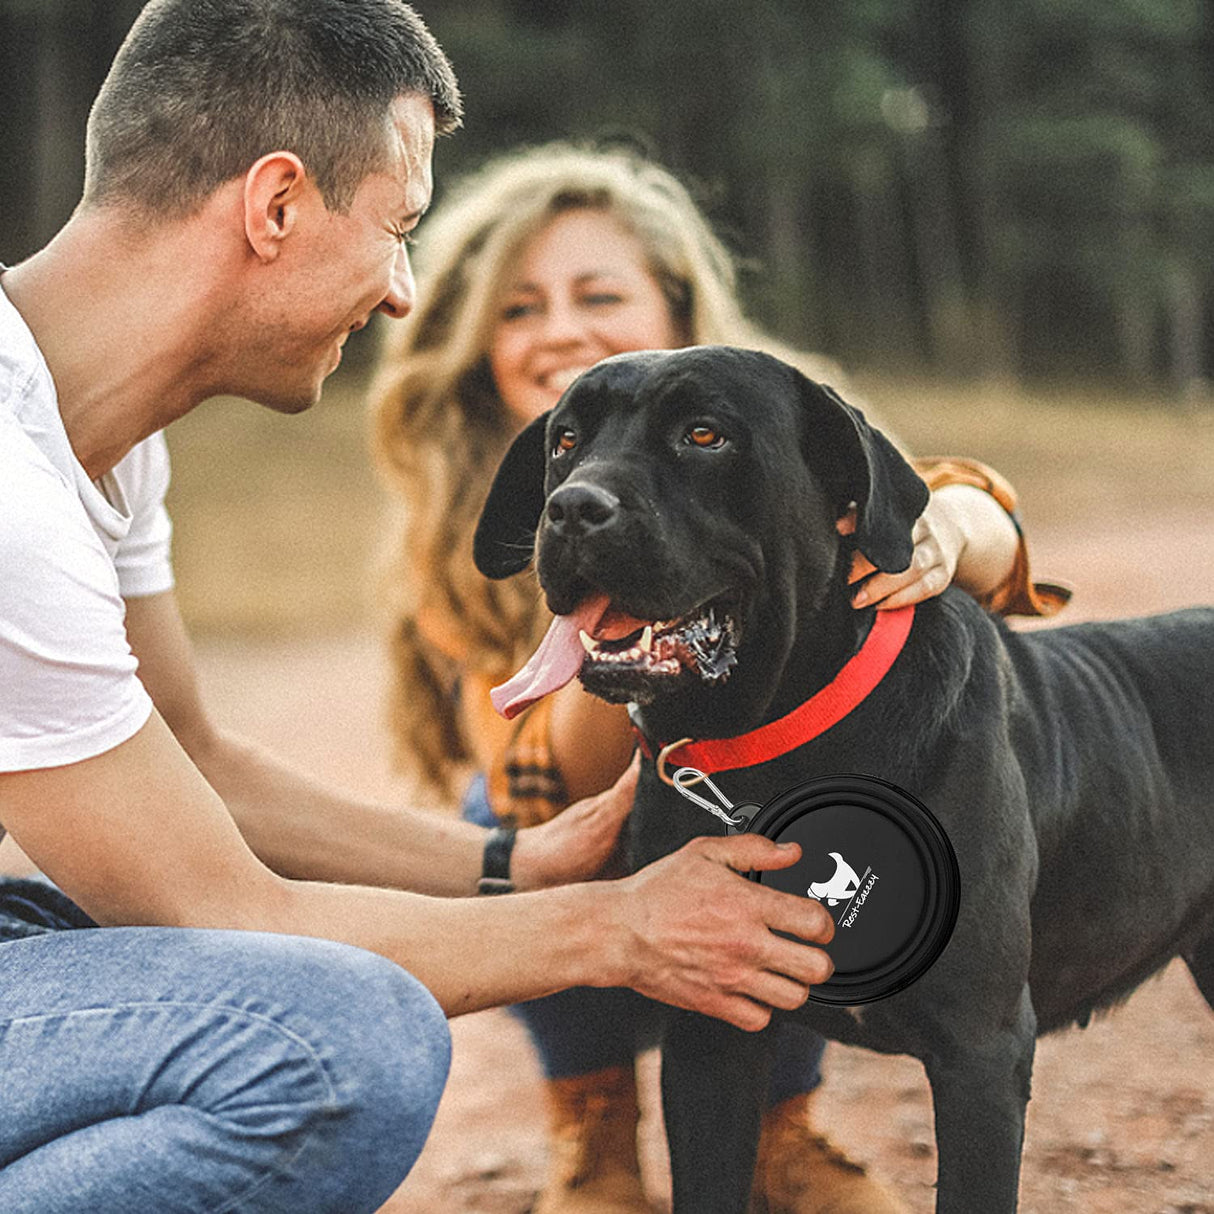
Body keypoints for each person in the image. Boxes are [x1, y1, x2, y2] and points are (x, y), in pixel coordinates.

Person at [0, 6, 846, 1213]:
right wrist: (616, 926)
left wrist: (514, 860)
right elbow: (230, 910)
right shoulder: (9, 480)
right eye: (398, 227)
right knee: (335, 1042)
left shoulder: (96, 436)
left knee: (94, 902)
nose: (402, 292)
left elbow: (193, 757)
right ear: (276, 205)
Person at [371, 141, 1069, 1214]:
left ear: (677, 304)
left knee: (794, 785)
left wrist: (958, 521)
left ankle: (777, 1132)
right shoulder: (472, 518)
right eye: (518, 307)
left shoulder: (759, 426)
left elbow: (927, 500)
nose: (558, 326)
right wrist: (629, 639)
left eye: (597, 293)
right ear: (473, 344)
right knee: (519, 811)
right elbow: (528, 764)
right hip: (593, 813)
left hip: (776, 784)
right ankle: (595, 1124)